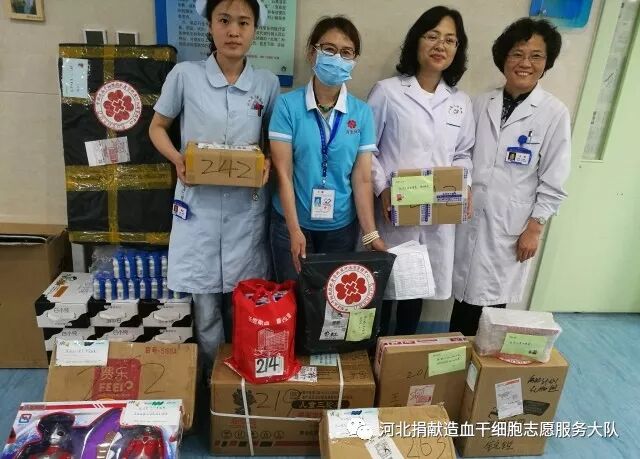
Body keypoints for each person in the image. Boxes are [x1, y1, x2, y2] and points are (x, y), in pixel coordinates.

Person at [149, 0, 279, 372]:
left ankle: (239, 376)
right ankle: (212, 381)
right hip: (199, 207)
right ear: (210, 26)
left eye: (243, 22)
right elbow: (157, 127)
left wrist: (268, 161)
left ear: (254, 30)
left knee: (243, 303)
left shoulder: (267, 83)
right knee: (205, 310)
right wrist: (177, 159)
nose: (233, 31)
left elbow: (274, 139)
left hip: (245, 209)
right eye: (224, 20)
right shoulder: (185, 75)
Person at [451, 18, 571, 336]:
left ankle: (480, 362)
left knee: (492, 305)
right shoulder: (481, 103)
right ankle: (455, 358)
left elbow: (554, 178)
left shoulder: (553, 112)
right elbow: (462, 155)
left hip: (511, 225)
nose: (525, 63)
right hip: (469, 217)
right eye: (517, 53)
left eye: (536, 56)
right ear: (504, 58)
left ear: (546, 63)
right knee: (462, 296)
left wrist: (535, 228)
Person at [367, 6, 474, 335]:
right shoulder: (387, 91)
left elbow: (463, 153)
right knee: (384, 291)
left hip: (436, 215)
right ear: (417, 42)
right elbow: (366, 149)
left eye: (450, 40)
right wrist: (382, 187)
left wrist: (464, 186)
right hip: (393, 211)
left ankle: (404, 354)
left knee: (416, 291)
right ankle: (374, 355)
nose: (441, 45)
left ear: (457, 50)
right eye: (432, 36)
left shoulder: (460, 102)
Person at [269, 16, 385, 282]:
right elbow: (283, 173)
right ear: (313, 53)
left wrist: (370, 234)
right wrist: (294, 229)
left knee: (332, 301)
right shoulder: (287, 106)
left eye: (346, 52)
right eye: (329, 49)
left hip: (341, 229)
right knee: (293, 298)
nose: (337, 58)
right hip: (291, 223)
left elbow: (362, 178)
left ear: (354, 60)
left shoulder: (361, 113)